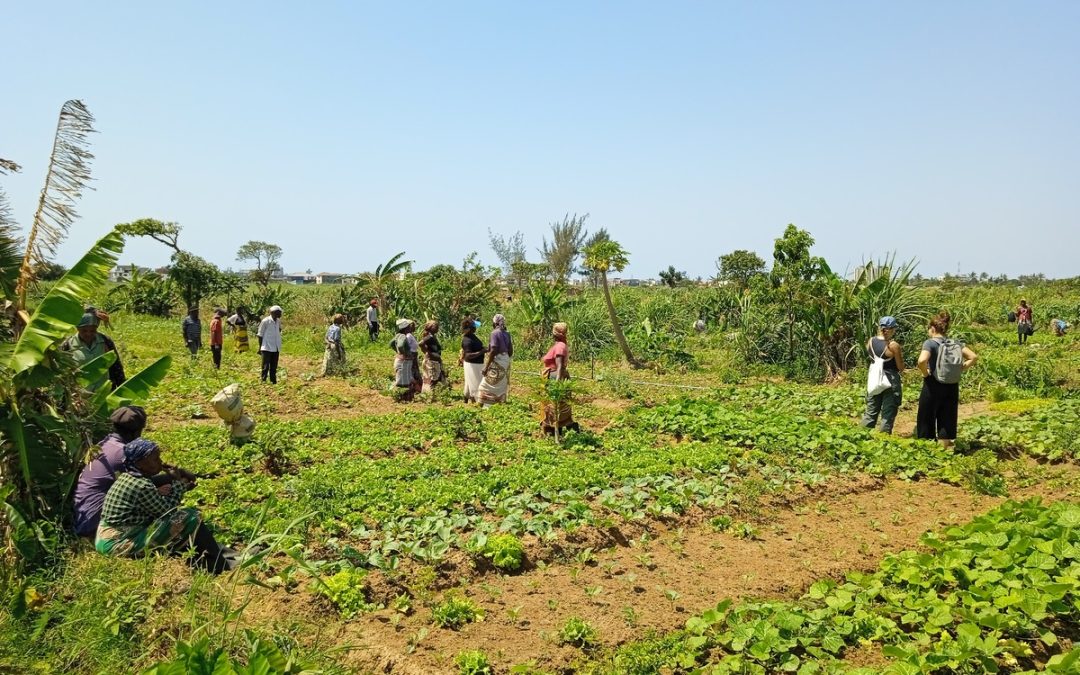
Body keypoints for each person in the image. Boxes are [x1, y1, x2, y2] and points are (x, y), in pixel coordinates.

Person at [96, 439, 230, 574]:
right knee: (189, 516)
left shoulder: (128, 478)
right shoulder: (142, 486)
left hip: (106, 537)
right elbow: (168, 511)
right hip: (117, 543)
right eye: (155, 459)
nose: (160, 462)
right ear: (140, 463)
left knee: (174, 522)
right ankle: (216, 563)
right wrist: (178, 483)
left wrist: (174, 479)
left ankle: (205, 554)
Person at [73, 406, 199, 537]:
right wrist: (178, 484)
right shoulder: (123, 453)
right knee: (160, 502)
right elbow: (141, 487)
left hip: (84, 515)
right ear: (137, 432)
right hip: (98, 522)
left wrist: (175, 475)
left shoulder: (106, 443)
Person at [916, 311, 978, 448]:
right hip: (952, 385)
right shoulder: (956, 343)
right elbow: (973, 357)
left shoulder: (930, 343)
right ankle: (945, 450)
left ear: (932, 328)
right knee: (947, 417)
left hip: (933, 384)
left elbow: (921, 360)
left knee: (927, 417)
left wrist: (925, 374)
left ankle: (927, 451)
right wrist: (960, 368)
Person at [861, 316, 905, 434]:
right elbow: (900, 367)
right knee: (888, 413)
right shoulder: (893, 345)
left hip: (875, 378)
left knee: (871, 411)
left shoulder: (871, 341)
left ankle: (861, 437)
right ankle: (883, 440)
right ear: (892, 329)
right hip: (890, 380)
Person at [62, 311, 126, 391]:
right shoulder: (68, 344)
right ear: (78, 329)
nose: (88, 334)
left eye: (92, 331)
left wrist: (122, 388)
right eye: (84, 331)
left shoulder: (105, 341)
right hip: (81, 395)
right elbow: (62, 372)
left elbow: (116, 366)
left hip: (104, 390)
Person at [540, 322, 580, 434]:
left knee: (555, 404)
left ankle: (558, 428)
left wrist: (557, 382)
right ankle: (559, 428)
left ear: (555, 334)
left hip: (555, 377)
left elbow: (560, 366)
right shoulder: (560, 345)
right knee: (559, 404)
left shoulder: (559, 347)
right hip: (555, 376)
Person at [478, 314, 513, 407]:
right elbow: (510, 351)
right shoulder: (507, 333)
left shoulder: (494, 333)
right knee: (501, 383)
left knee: (486, 383)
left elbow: (493, 350)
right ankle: (498, 401)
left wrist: (486, 366)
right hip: (505, 360)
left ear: (494, 323)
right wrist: (505, 358)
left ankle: (485, 402)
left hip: (497, 359)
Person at [391, 319, 421, 401]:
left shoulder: (397, 335)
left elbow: (391, 343)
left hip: (401, 360)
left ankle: (403, 398)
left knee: (403, 379)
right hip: (404, 361)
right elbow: (400, 346)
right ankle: (403, 399)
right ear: (406, 328)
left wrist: (397, 352)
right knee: (404, 381)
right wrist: (404, 354)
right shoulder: (403, 336)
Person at [459, 317, 486, 403]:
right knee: (475, 383)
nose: (475, 328)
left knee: (469, 382)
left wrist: (483, 349)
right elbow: (468, 355)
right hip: (472, 364)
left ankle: (466, 398)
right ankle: (475, 401)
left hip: (477, 364)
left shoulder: (473, 337)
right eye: (474, 327)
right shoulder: (467, 340)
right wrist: (482, 352)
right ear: (470, 329)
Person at [257, 306, 283, 384]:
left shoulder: (278, 321)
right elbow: (260, 335)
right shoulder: (265, 321)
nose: (280, 314)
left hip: (276, 347)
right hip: (266, 347)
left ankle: (273, 381)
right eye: (278, 312)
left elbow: (279, 329)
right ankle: (263, 380)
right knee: (265, 366)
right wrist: (260, 347)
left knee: (274, 366)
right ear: (272, 313)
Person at [419, 320, 447, 394]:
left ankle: (432, 393)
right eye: (435, 326)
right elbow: (421, 343)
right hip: (431, 360)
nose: (437, 328)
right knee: (433, 378)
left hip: (434, 360)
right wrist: (428, 352)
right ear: (430, 327)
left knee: (436, 377)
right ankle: (431, 394)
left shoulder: (432, 336)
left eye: (438, 326)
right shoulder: (429, 337)